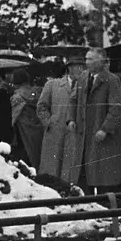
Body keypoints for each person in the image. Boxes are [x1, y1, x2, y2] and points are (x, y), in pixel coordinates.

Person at [69, 47, 121, 194]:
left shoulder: (112, 80)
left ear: (101, 61)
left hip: (101, 135)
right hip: (84, 135)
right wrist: (71, 120)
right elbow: (73, 100)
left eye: (91, 59)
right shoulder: (82, 78)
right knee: (84, 177)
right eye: (86, 59)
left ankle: (104, 212)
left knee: (103, 178)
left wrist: (105, 129)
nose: (87, 62)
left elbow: (116, 108)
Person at [36, 56, 83, 184]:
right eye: (77, 66)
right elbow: (41, 107)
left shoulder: (84, 87)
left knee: (69, 174)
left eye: (82, 67)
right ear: (69, 68)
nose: (81, 70)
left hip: (74, 135)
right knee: (51, 173)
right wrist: (49, 122)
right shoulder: (52, 85)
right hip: (54, 134)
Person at [9, 68, 44, 168]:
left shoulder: (16, 98)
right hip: (39, 134)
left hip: (23, 138)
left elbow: (12, 120)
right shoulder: (39, 93)